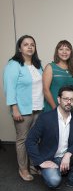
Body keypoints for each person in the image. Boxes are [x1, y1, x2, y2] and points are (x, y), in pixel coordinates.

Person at [26, 86, 73, 191]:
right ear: (59, 99)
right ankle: (58, 171)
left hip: (68, 157)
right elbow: (30, 141)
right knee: (54, 181)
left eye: (71, 99)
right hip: (50, 158)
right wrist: (40, 162)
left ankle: (72, 178)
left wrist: (68, 154)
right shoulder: (45, 118)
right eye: (65, 99)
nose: (69, 102)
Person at [3, 35, 44, 181]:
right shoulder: (13, 65)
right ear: (20, 48)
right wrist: (14, 108)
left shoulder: (37, 65)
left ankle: (34, 166)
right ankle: (23, 169)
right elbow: (10, 88)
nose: (30, 47)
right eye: (26, 44)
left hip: (39, 108)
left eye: (32, 44)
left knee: (35, 140)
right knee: (22, 140)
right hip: (23, 110)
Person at [43, 40, 73, 112]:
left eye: (67, 49)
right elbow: (46, 90)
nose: (64, 52)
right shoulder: (50, 67)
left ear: (71, 52)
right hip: (53, 108)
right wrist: (56, 109)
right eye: (61, 49)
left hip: (69, 108)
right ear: (57, 52)